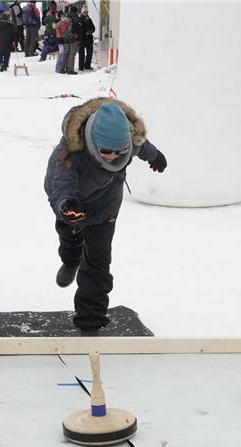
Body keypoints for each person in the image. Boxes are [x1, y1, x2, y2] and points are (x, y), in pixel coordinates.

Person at [44, 99, 168, 336]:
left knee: (98, 263)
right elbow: (62, 184)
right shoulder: (72, 150)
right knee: (70, 237)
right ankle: (70, 260)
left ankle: (90, 323)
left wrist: (155, 156)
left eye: (119, 151)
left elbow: (142, 146)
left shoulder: (131, 142)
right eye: (105, 151)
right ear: (93, 142)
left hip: (105, 205)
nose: (112, 156)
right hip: (71, 201)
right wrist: (64, 205)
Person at [77, 5, 93, 71]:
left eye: (86, 12)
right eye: (84, 12)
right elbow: (79, 29)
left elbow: (93, 28)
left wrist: (90, 31)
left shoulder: (89, 19)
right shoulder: (79, 19)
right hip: (81, 39)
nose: (86, 13)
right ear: (82, 12)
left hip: (89, 38)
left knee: (89, 52)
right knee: (81, 53)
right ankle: (81, 67)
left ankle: (87, 65)